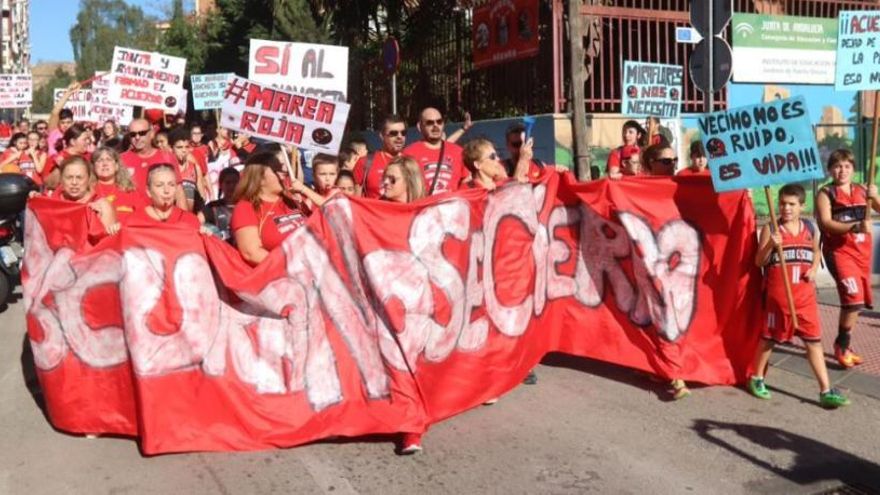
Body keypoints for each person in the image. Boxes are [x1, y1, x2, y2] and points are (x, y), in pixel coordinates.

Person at [748, 184, 850, 408]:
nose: (786, 208)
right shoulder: (772, 229)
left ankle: (825, 389)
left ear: (802, 206)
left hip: (804, 298)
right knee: (770, 339)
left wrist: (814, 268)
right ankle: (756, 378)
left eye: (791, 204)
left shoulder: (810, 228)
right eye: (783, 203)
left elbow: (815, 252)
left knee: (813, 342)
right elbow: (758, 261)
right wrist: (770, 247)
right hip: (778, 297)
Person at [815, 149, 880, 368]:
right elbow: (825, 223)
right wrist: (853, 227)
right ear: (830, 169)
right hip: (839, 252)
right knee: (853, 299)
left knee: (856, 302)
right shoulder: (826, 193)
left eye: (846, 166)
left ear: (853, 169)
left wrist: (876, 197)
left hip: (862, 253)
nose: (841, 170)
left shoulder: (863, 189)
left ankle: (846, 344)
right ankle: (841, 345)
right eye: (837, 166)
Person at [231, 152, 311, 265]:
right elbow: (251, 253)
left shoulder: (292, 199)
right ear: (260, 178)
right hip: (282, 276)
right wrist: (291, 265)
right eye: (276, 169)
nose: (284, 172)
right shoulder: (245, 207)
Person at [46, 156, 119, 238]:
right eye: (69, 177)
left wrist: (97, 220)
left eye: (79, 178)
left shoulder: (102, 206)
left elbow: (108, 242)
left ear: (88, 179)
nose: (74, 182)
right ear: (62, 179)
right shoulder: (52, 202)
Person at [403, 107, 467, 195]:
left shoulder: (458, 151)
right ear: (419, 126)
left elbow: (467, 180)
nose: (435, 126)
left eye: (439, 122)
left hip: (452, 205)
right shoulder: (408, 153)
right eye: (430, 123)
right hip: (424, 206)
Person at [125, 164, 201, 228]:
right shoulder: (134, 222)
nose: (166, 191)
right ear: (148, 191)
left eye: (171, 185)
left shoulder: (190, 221)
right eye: (159, 185)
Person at [120, 118, 178, 196]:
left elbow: (178, 190)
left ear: (151, 134)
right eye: (133, 134)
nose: (137, 137)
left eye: (142, 133)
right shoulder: (121, 159)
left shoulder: (167, 157)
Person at [353, 115, 406, 199]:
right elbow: (356, 202)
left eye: (403, 133)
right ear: (382, 136)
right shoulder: (364, 162)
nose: (399, 137)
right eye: (393, 133)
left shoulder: (411, 163)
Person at [91, 147, 146, 221]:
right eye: (100, 160)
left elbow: (143, 216)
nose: (104, 164)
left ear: (116, 166)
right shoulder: (88, 190)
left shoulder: (130, 190)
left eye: (109, 159)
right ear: (93, 167)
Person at [169, 128, 211, 210]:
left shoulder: (195, 168)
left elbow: (202, 196)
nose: (184, 150)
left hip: (191, 217)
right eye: (179, 147)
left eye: (186, 147)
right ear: (171, 148)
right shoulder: (167, 169)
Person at [44, 123, 93, 189]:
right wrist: (59, 168)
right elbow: (48, 185)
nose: (88, 142)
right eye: (84, 139)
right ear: (72, 142)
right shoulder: (55, 159)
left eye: (88, 139)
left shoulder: (90, 157)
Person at [199, 167, 240, 243]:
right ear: (221, 185)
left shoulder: (247, 206)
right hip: (220, 251)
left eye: (235, 182)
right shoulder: (212, 207)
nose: (231, 186)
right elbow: (195, 223)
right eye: (228, 182)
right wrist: (205, 229)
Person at [47, 82, 80, 158]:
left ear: (73, 123)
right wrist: (69, 93)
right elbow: (55, 112)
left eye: (68, 122)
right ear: (58, 123)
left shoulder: (77, 136)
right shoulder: (53, 132)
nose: (65, 125)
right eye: (63, 122)